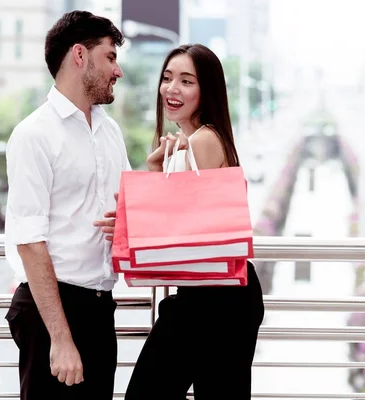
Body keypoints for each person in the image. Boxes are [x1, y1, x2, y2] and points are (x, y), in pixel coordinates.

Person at [98, 43, 265, 399]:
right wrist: (157, 168)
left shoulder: (203, 142)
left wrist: (130, 223)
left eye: (187, 81)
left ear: (207, 91)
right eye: (168, 77)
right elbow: (181, 220)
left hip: (216, 300)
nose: (172, 89)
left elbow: (177, 231)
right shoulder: (197, 141)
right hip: (215, 295)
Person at [3, 10, 128, 400]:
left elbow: (126, 207)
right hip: (52, 313)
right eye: (110, 57)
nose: (117, 71)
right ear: (79, 55)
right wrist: (61, 338)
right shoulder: (33, 135)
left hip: (99, 308)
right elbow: (29, 241)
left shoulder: (110, 130)